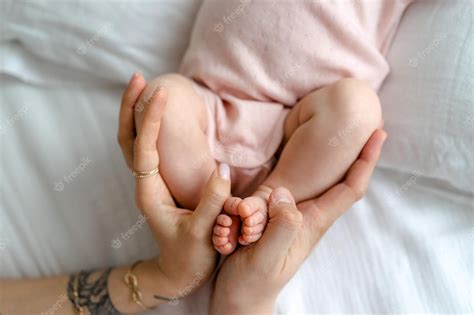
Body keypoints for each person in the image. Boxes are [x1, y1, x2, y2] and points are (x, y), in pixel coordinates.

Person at [0, 75, 386, 314]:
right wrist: (238, 302)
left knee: (357, 108)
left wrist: (169, 278)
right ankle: (214, 205)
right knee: (161, 98)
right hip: (213, 107)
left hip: (310, 117)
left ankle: (259, 195)